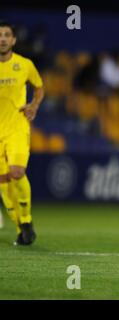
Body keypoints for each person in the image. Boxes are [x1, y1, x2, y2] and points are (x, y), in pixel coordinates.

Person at [0, 21, 44, 245]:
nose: (3, 38)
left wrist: (34, 106)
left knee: (16, 172)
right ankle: (21, 229)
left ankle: (26, 220)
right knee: (3, 180)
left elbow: (39, 86)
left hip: (17, 126)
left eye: (7, 35)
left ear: (14, 40)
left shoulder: (24, 65)